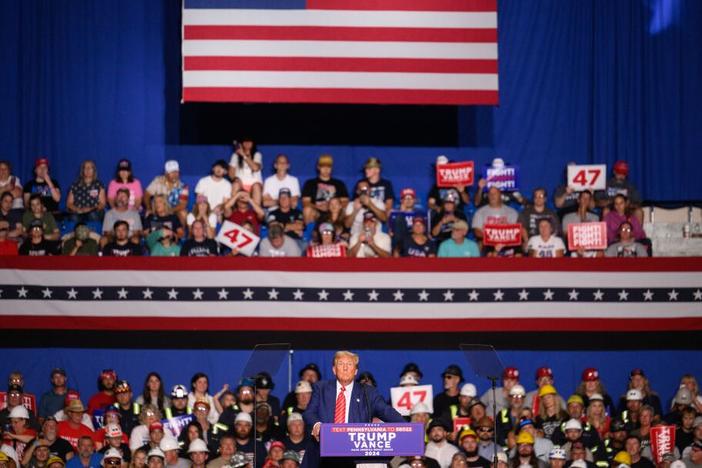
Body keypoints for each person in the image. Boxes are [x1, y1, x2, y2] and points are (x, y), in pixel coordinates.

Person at [302, 350, 404, 468]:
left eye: (349, 364)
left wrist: (409, 430)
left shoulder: (368, 392)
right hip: (322, 453)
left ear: (355, 371)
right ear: (334, 370)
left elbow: (388, 412)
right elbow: (309, 413)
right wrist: (317, 425)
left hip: (354, 456)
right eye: (341, 364)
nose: (345, 368)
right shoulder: (321, 388)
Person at [301, 154, 349, 225]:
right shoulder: (310, 183)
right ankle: (308, 234)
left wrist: (332, 207)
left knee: (345, 210)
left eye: (328, 167)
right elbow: (305, 202)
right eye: (323, 167)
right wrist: (318, 207)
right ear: (318, 167)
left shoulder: (339, 184)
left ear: (332, 168)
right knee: (307, 210)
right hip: (317, 212)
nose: (326, 170)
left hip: (335, 212)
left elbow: (345, 202)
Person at [144, 160, 189, 227]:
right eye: (171, 173)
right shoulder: (157, 181)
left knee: (183, 213)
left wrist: (169, 211)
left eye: (176, 172)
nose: (174, 175)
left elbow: (183, 205)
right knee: (148, 213)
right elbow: (146, 195)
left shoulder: (183, 186)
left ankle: (180, 235)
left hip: (173, 210)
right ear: (166, 173)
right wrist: (149, 208)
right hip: (158, 208)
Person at [228, 138, 263, 206]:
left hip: (254, 186)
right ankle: (234, 212)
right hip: (240, 186)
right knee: (235, 184)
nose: (247, 142)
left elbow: (255, 168)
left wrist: (243, 154)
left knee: (256, 186)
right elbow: (231, 174)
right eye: (245, 141)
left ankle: (257, 214)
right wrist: (235, 179)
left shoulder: (257, 154)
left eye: (249, 140)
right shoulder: (235, 155)